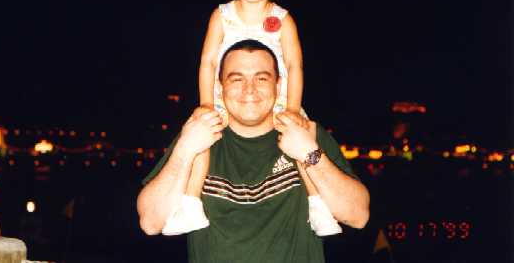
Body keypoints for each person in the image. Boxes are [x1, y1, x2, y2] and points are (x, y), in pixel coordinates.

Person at [137, 39, 370, 263]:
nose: (249, 90)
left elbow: (358, 215)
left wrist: (309, 153)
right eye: (237, 79)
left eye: (261, 78)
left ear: (278, 85)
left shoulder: (307, 133)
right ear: (220, 87)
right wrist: (184, 150)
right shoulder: (196, 135)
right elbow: (150, 222)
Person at [173, 0, 339, 236]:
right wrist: (207, 103)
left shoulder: (283, 19)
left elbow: (295, 65)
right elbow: (208, 62)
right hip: (227, 95)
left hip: (276, 95)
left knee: (301, 134)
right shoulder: (221, 15)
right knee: (201, 135)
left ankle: (317, 205)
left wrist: (292, 108)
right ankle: (190, 203)